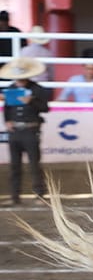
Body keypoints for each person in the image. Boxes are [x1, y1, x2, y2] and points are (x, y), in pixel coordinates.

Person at [0, 57, 50, 204]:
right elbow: (7, 109)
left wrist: (32, 101)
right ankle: (15, 196)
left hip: (30, 130)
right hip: (15, 131)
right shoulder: (11, 89)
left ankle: (40, 195)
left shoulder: (37, 89)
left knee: (34, 164)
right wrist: (7, 122)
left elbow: (45, 108)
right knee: (14, 165)